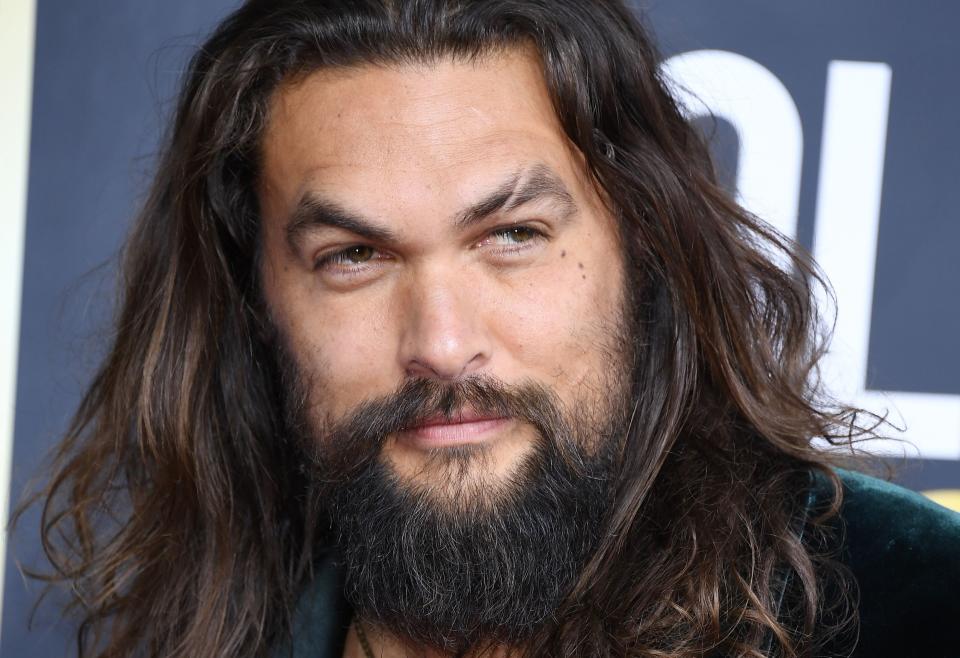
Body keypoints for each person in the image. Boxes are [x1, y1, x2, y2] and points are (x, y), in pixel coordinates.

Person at [23, 1, 960, 657]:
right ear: (256, 303)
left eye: (512, 236)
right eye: (355, 256)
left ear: (647, 248)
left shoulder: (906, 602)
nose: (440, 340)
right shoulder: (221, 627)